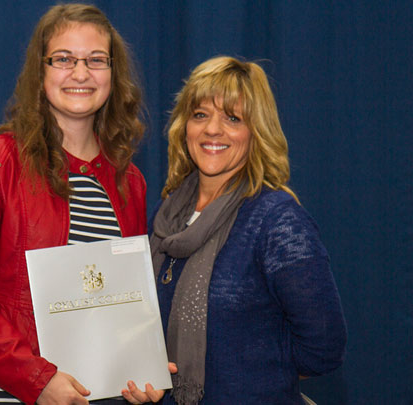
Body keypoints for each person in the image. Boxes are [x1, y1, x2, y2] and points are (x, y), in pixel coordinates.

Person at [0, 4, 165, 404]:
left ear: (114, 74)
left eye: (96, 60)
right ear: (40, 73)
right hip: (2, 393)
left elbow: (122, 307)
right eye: (63, 59)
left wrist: (139, 372)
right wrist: (38, 380)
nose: (80, 73)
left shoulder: (131, 182)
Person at [149, 56, 347, 404]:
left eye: (232, 118)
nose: (212, 129)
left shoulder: (277, 221)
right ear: (184, 126)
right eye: (200, 115)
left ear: (256, 131)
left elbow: (324, 347)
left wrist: (255, 376)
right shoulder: (168, 216)